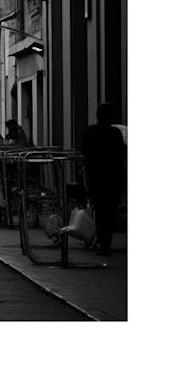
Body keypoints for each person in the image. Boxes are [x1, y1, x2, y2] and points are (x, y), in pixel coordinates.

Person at [80, 102, 126, 255]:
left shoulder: (91, 131)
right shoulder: (115, 133)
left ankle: (102, 242)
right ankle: (107, 242)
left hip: (96, 176)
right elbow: (122, 153)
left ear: (97, 115)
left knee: (100, 210)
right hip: (113, 177)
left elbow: (83, 149)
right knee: (111, 210)